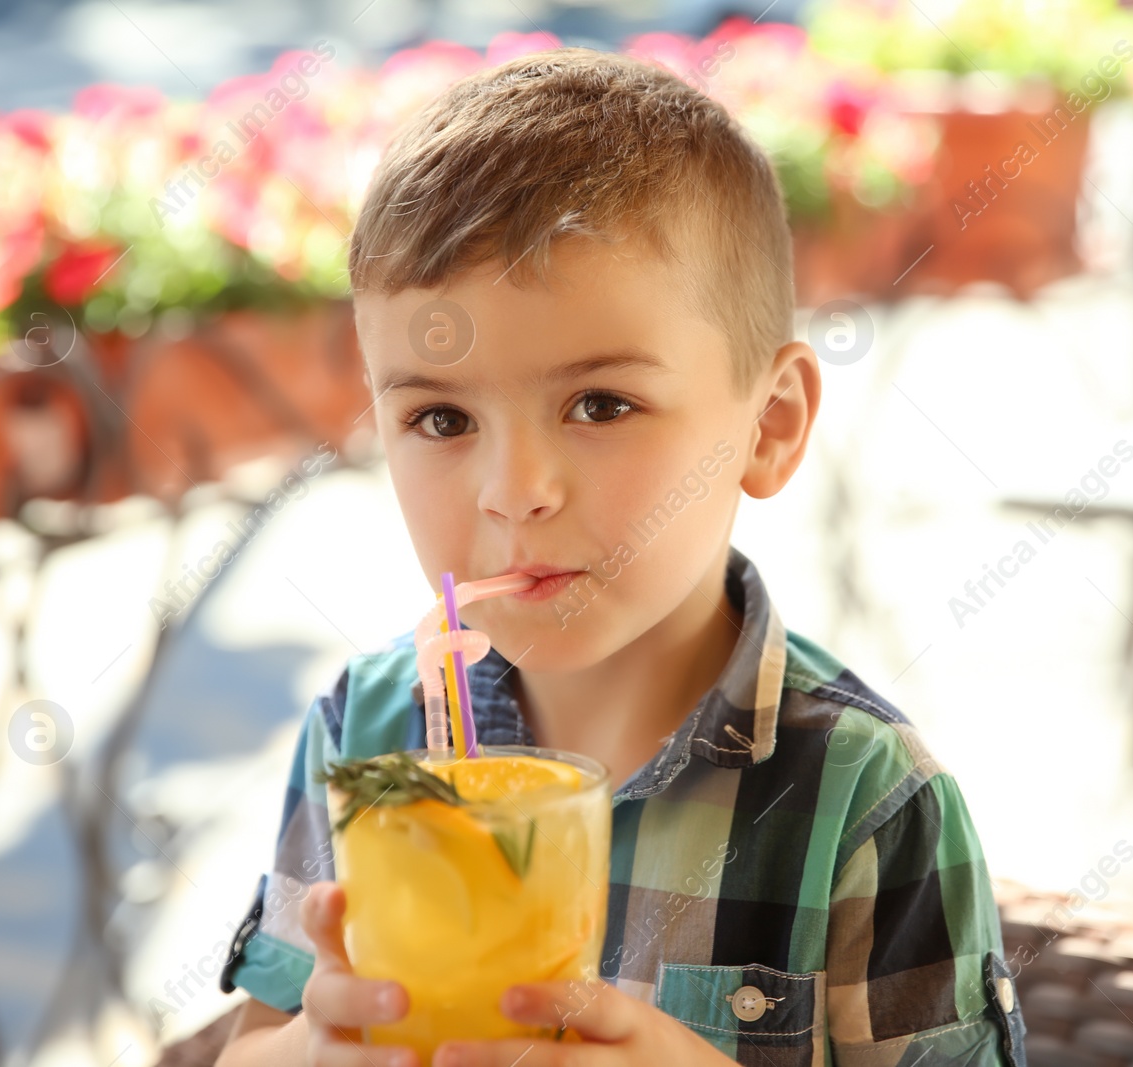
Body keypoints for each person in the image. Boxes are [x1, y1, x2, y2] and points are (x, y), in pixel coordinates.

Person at [213, 45, 1026, 1067]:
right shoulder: (371, 738)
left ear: (767, 425)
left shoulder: (864, 800)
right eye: (439, 416)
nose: (514, 490)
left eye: (600, 403)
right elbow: (254, 1041)